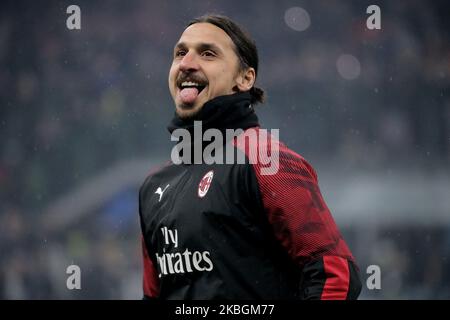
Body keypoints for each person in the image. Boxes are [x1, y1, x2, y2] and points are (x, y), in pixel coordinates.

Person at [139, 14, 362, 299]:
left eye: (208, 54)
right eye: (180, 53)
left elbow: (335, 275)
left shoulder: (266, 161)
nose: (186, 63)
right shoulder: (153, 185)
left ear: (245, 79)